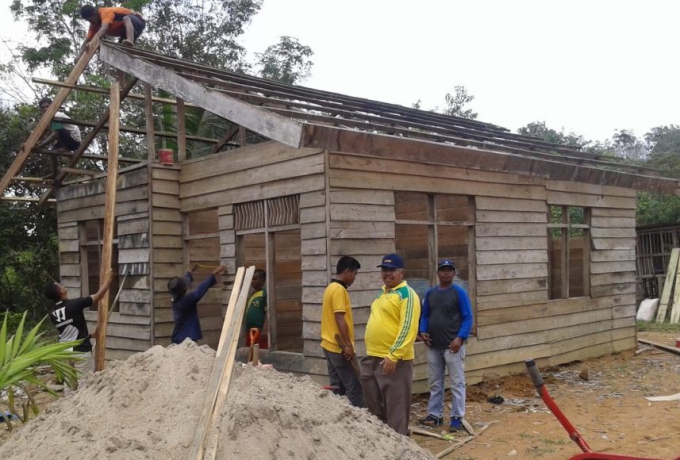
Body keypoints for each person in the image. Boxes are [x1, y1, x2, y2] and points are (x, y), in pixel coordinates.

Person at [361, 253, 420, 436]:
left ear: (401, 272)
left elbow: (408, 328)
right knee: (374, 407)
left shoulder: (407, 295)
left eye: (392, 270)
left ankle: (400, 446)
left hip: (394, 361)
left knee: (396, 408)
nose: (387, 273)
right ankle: (382, 445)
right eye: (384, 270)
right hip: (373, 356)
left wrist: (393, 355)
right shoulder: (382, 293)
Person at [418, 259, 473, 432]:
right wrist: (422, 331)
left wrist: (460, 338)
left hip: (452, 346)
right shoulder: (431, 294)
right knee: (435, 382)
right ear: (438, 273)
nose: (446, 273)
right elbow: (425, 315)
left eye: (449, 270)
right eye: (443, 270)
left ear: (454, 273)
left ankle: (457, 417)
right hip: (434, 345)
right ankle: (435, 415)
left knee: (457, 382)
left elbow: (468, 317)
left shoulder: (459, 293)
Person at [44, 269, 114, 384]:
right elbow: (98, 296)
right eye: (60, 285)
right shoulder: (75, 304)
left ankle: (69, 402)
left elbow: (68, 332)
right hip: (80, 351)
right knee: (85, 384)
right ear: (60, 291)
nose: (62, 285)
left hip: (64, 352)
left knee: (69, 385)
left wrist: (90, 335)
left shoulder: (53, 314)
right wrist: (109, 279)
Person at [321, 256, 363, 407]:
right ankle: (358, 419)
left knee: (337, 386)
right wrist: (348, 346)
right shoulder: (339, 290)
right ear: (347, 272)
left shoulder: (330, 288)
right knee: (354, 386)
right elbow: (340, 318)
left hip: (328, 345)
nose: (354, 278)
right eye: (355, 274)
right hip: (338, 347)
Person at [168, 264, 226, 344]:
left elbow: (184, 285)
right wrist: (214, 273)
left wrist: (189, 272)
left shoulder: (176, 301)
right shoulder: (185, 302)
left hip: (178, 337)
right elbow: (199, 291)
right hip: (186, 340)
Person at [77, 4, 146, 59]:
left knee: (126, 18)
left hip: (137, 22)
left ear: (95, 13)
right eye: (89, 21)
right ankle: (120, 77)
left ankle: (130, 41)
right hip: (125, 32)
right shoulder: (93, 26)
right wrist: (78, 56)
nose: (91, 22)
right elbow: (86, 41)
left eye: (91, 19)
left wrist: (92, 42)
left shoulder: (105, 13)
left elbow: (104, 28)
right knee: (119, 55)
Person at [245, 269, 268, 349]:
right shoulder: (252, 294)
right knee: (250, 351)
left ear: (262, 280)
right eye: (251, 279)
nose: (252, 281)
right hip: (249, 330)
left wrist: (265, 329)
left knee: (259, 352)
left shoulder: (265, 293)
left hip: (259, 330)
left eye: (255, 279)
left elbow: (268, 312)